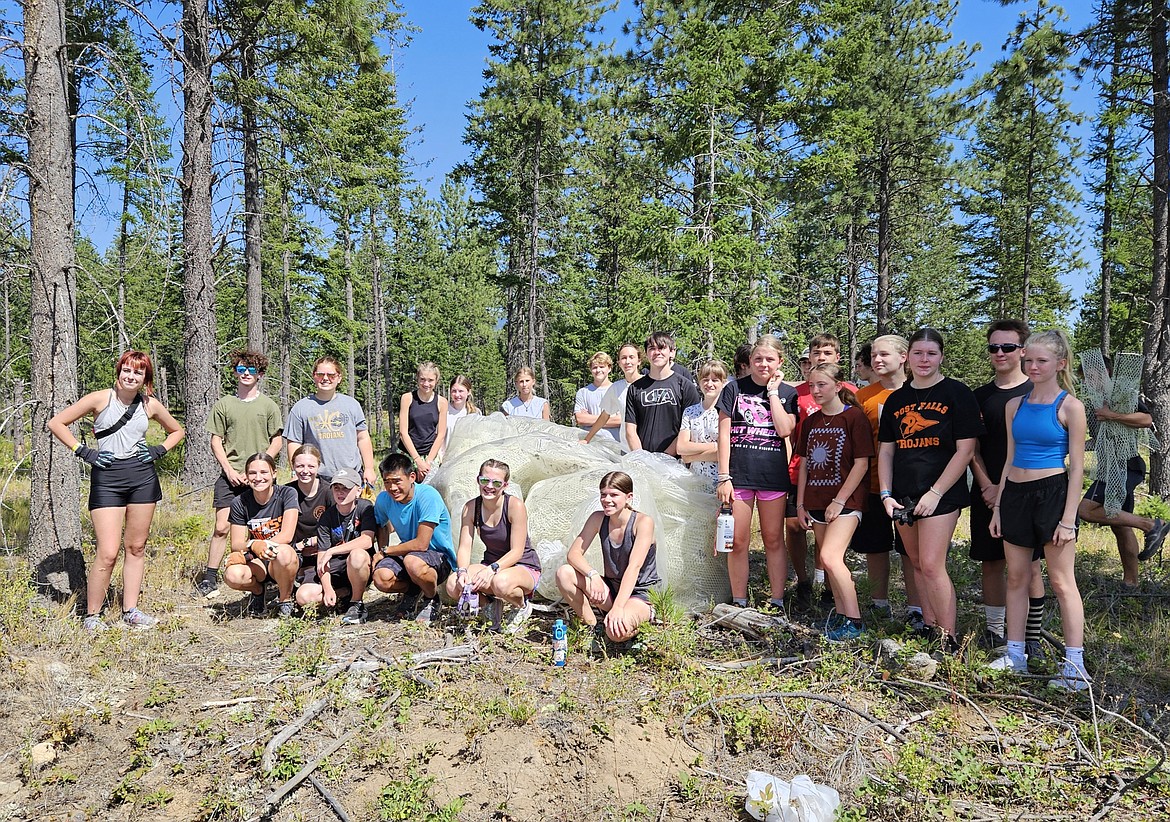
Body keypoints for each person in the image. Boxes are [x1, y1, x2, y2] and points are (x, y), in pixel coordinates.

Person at [48, 350, 186, 631]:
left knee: (136, 547)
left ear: (145, 378)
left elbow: (177, 431)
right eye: (126, 370)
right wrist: (84, 452)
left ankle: (131, 610)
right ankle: (92, 616)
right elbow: (56, 423)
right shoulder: (100, 398)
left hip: (142, 477)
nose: (130, 376)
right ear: (119, 371)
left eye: (138, 372)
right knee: (108, 551)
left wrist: (158, 450)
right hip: (107, 478)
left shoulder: (149, 404)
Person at [988, 330, 1090, 690]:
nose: (1033, 366)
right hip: (1015, 493)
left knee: (1062, 582)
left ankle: (1074, 666)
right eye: (1028, 360)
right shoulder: (1013, 405)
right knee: (1016, 578)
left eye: (1041, 361)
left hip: (1053, 495)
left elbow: (1077, 467)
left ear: (1060, 363)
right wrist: (999, 506)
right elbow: (1009, 458)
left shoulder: (1070, 407)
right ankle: (1015, 654)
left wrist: (1067, 519)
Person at [878, 328, 984, 651]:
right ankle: (929, 625)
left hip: (942, 492)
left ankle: (948, 637)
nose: (924, 360)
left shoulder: (957, 393)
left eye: (931, 354)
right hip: (903, 495)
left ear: (941, 357)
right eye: (918, 353)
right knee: (916, 562)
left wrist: (936, 492)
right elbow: (886, 451)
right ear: (907, 357)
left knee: (933, 563)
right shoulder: (895, 400)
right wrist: (885, 494)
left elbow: (965, 451)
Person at [970, 320, 1045, 650]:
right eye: (994, 347)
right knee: (992, 561)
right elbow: (970, 448)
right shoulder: (978, 397)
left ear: (1023, 351)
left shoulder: (1038, 393)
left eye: (1008, 347)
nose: (1000, 353)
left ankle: (1031, 637)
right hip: (985, 492)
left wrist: (1005, 488)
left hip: (1028, 491)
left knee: (1030, 565)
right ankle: (996, 631)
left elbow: (1042, 447)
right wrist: (988, 485)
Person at [716, 335, 799, 609]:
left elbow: (785, 429)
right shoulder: (733, 389)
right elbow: (724, 435)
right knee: (737, 541)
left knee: (773, 539)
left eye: (769, 359)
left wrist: (773, 392)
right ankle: (739, 600)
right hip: (738, 475)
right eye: (758, 359)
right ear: (749, 361)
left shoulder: (788, 393)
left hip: (771, 476)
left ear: (780, 362)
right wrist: (724, 476)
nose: (763, 364)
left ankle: (777, 600)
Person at [795, 363, 873, 640]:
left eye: (822, 385)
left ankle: (855, 620)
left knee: (830, 557)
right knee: (826, 561)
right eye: (812, 385)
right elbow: (804, 464)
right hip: (815, 501)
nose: (815, 391)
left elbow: (862, 464)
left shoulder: (854, 418)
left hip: (846, 501)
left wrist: (840, 501)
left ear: (838, 386)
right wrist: (801, 504)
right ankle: (841, 616)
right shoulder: (812, 421)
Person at [197, 350, 284, 598]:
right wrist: (229, 470)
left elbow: (277, 441)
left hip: (260, 478)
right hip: (231, 476)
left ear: (260, 374)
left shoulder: (268, 406)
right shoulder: (224, 404)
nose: (246, 374)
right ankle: (210, 577)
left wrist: (261, 469)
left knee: (264, 528)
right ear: (235, 372)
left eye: (252, 370)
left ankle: (266, 573)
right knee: (222, 527)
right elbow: (216, 440)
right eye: (241, 369)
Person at [1077, 357, 1168, 587]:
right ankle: (1131, 583)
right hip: (1111, 467)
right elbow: (1098, 440)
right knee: (1120, 525)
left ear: (1106, 371)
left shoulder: (1122, 395)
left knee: (1086, 510)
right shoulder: (1094, 404)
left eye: (1092, 375)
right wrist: (1070, 445)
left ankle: (1151, 525)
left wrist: (1112, 415)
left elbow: (1147, 420)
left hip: (1125, 465)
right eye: (1085, 377)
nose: (1088, 381)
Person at [788, 334, 858, 609]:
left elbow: (860, 447)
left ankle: (835, 596)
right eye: (816, 353)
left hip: (839, 480)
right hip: (803, 472)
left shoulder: (849, 394)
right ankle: (806, 583)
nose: (821, 357)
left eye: (827, 352)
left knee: (830, 544)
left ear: (837, 356)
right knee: (795, 526)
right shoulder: (799, 392)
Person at [850, 335, 912, 623]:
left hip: (911, 487)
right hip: (872, 485)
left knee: (910, 552)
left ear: (903, 357)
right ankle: (880, 605)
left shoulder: (918, 391)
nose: (877, 360)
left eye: (884, 354)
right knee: (876, 547)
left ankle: (917, 609)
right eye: (874, 355)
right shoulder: (864, 397)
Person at [556, 471, 660, 643]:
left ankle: (642, 623)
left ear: (628, 497)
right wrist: (593, 575)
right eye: (603, 494)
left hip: (640, 593)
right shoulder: (598, 518)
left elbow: (634, 568)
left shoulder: (642, 522)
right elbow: (573, 554)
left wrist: (619, 607)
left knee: (616, 633)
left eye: (614, 495)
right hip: (613, 588)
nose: (607, 500)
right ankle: (592, 627)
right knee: (564, 573)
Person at [445, 459, 541, 633]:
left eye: (496, 482)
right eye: (484, 480)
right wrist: (462, 572)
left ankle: (521, 606)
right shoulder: (471, 507)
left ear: (505, 485)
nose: (489, 486)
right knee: (453, 585)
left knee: (500, 583)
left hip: (522, 565)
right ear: (478, 480)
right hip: (491, 563)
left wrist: (492, 569)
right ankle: (490, 605)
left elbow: (517, 551)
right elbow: (465, 546)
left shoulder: (514, 506)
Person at [363, 453, 456, 623]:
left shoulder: (427, 496)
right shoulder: (384, 499)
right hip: (407, 552)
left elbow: (422, 544)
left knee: (413, 562)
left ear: (412, 477)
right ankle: (414, 590)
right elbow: (381, 525)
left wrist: (385, 551)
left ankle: (431, 598)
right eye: (387, 482)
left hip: (437, 555)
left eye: (397, 481)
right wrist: (382, 550)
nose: (392, 488)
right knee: (381, 577)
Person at [223, 453, 300, 618]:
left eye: (264, 472)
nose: (258, 478)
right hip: (258, 560)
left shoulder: (287, 493)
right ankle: (257, 591)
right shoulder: (239, 502)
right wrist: (252, 546)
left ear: (274, 473)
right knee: (232, 575)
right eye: (252, 473)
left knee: (284, 553)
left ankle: (285, 599)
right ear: (247, 476)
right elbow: (236, 544)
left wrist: (261, 545)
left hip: (282, 557)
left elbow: (286, 535)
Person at [297, 468, 377, 623]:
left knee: (357, 555)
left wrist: (332, 551)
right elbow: (322, 558)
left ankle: (356, 602)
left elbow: (367, 540)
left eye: (346, 488)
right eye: (336, 488)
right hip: (335, 568)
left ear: (358, 490)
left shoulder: (365, 507)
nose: (340, 493)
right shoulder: (327, 517)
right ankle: (342, 594)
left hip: (358, 566)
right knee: (303, 596)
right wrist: (327, 588)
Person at [285, 356, 377, 487]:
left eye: (331, 375)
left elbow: (362, 438)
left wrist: (369, 468)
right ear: (314, 376)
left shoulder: (351, 405)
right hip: (316, 478)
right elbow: (294, 443)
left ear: (339, 377)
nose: (325, 378)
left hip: (351, 475)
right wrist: (295, 471)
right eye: (320, 374)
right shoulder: (300, 408)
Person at [625, 331, 701, 454]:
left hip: (675, 462)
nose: (657, 352)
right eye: (652, 348)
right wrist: (641, 457)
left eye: (662, 348)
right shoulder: (635, 388)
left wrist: (665, 457)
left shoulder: (685, 386)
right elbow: (630, 430)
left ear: (671, 352)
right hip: (643, 461)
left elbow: (690, 428)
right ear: (646, 353)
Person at [286, 445, 333, 587]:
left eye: (311, 466)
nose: (305, 471)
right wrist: (297, 547)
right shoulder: (287, 491)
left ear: (318, 466)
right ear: (293, 466)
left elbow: (338, 528)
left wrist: (312, 542)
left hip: (325, 548)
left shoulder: (329, 490)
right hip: (296, 551)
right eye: (300, 466)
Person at [677, 359, 728, 489]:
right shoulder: (690, 412)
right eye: (705, 379)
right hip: (695, 484)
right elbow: (682, 448)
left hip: (721, 482)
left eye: (715, 380)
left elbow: (730, 451)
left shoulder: (728, 412)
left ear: (723, 383)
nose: (709, 384)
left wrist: (691, 456)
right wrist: (716, 446)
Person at [581, 344, 642, 452]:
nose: (627, 361)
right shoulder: (616, 388)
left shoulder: (650, 384)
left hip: (649, 449)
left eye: (631, 357)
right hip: (626, 450)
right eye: (623, 358)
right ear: (619, 363)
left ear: (639, 361)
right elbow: (604, 416)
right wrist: (587, 439)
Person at [398, 362, 449, 481]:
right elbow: (403, 432)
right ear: (417, 379)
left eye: (430, 380)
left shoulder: (441, 402)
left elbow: (441, 434)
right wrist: (417, 461)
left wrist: (427, 462)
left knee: (428, 492)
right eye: (422, 379)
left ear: (436, 381)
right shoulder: (407, 398)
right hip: (408, 454)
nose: (426, 384)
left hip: (429, 455)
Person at [574, 352, 617, 440]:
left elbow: (622, 420)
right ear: (590, 370)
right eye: (594, 367)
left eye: (602, 367)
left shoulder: (618, 390)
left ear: (609, 368)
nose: (598, 370)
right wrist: (611, 418)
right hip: (590, 443)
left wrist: (590, 419)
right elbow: (580, 419)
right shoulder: (583, 392)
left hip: (615, 442)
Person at [442, 375, 480, 458]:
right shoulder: (443, 411)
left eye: (461, 391)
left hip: (466, 459)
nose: (457, 394)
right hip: (445, 460)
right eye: (454, 391)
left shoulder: (475, 413)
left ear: (468, 392)